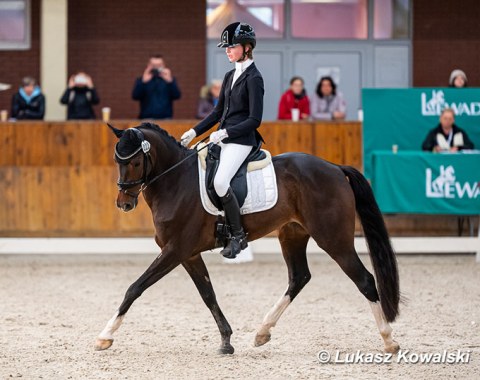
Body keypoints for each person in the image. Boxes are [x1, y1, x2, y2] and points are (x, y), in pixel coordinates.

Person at [180, 22, 264, 259]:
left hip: (241, 140)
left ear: (247, 48)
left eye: (232, 46)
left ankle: (238, 235)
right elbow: (218, 114)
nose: (227, 50)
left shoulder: (254, 78)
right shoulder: (229, 76)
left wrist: (227, 133)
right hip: (222, 137)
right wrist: (194, 132)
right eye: (226, 47)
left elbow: (254, 119)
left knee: (220, 182)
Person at [132, 54, 181, 119]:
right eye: (153, 65)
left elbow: (177, 96)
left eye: (159, 65)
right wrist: (143, 82)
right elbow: (135, 96)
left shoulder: (169, 80)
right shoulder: (142, 80)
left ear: (163, 65)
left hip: (165, 118)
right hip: (146, 118)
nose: (156, 68)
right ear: (148, 65)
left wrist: (170, 81)